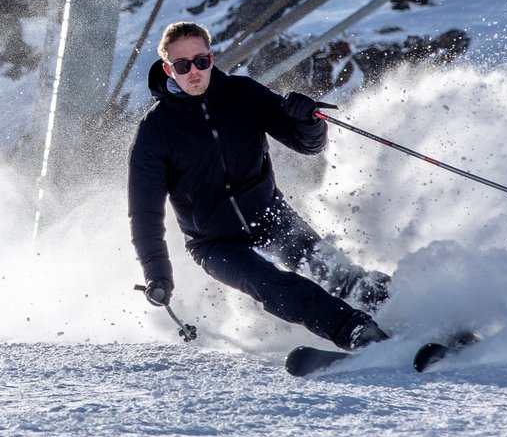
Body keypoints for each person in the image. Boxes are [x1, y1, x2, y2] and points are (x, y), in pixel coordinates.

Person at [128, 21, 391, 350]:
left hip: (269, 213)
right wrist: (157, 274)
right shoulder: (156, 130)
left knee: (333, 269)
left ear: (211, 58)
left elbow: (306, 144)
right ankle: (354, 331)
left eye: (201, 61)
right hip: (215, 243)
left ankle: (397, 309)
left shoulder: (242, 95)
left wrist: (305, 120)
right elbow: (144, 213)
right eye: (182, 66)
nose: (194, 72)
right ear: (168, 69)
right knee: (270, 283)